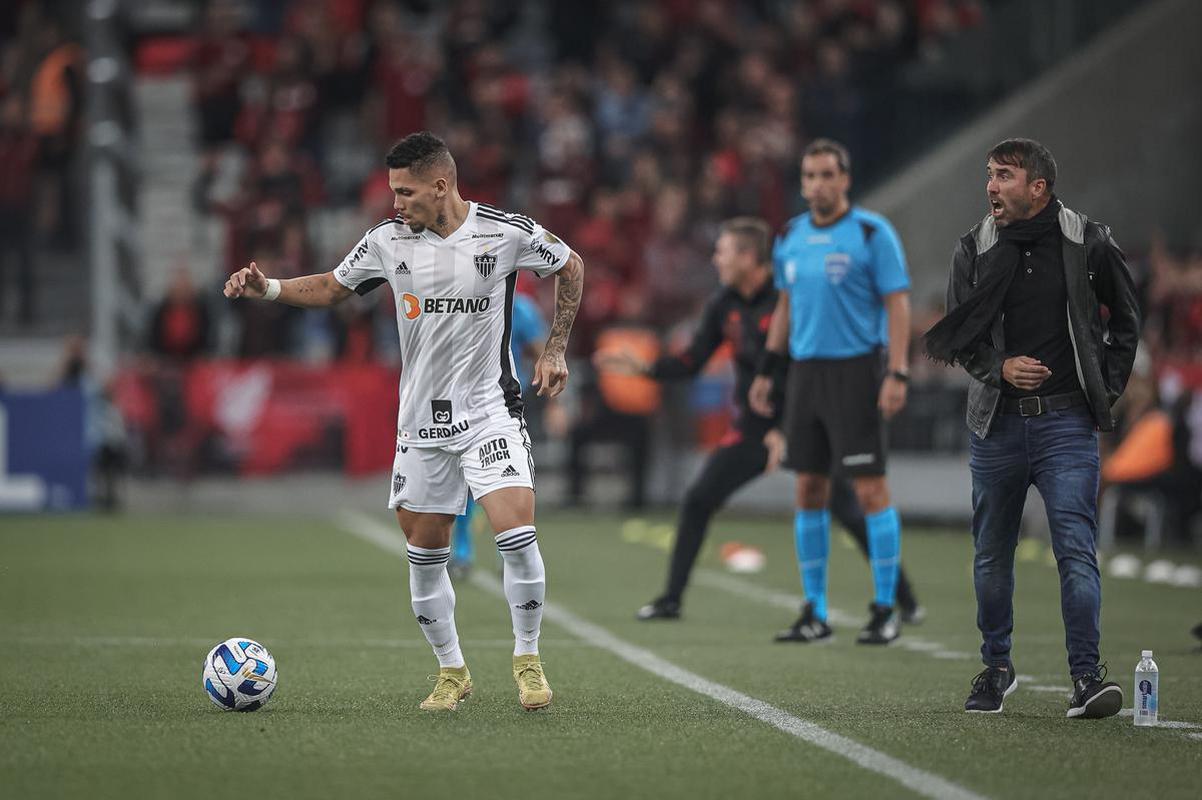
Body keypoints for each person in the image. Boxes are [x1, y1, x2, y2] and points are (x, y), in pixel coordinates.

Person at [223, 131, 585, 712]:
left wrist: (556, 348)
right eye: (394, 191)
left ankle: (528, 659)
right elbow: (331, 289)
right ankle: (452, 672)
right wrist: (266, 288)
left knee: (515, 534)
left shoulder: (504, 232)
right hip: (420, 425)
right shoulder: (387, 241)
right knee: (424, 553)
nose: (395, 202)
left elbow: (571, 266)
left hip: (490, 411)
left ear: (441, 185)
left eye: (406, 191)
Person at [597, 217, 923, 627]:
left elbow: (807, 366)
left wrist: (786, 430)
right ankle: (671, 600)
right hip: (754, 425)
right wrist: (646, 369)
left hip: (808, 417)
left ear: (749, 257)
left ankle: (904, 599)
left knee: (846, 508)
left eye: (724, 251)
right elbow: (692, 359)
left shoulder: (792, 299)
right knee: (699, 499)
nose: (716, 259)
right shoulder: (724, 303)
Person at [924, 138, 1139, 717]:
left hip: (1067, 424)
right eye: (988, 176)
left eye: (1003, 176)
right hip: (995, 424)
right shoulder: (972, 247)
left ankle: (1087, 679)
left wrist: (1104, 388)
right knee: (992, 555)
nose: (990, 186)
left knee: (1076, 549)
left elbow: (1126, 322)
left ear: (1038, 188)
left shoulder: (1088, 241)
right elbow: (962, 339)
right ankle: (996, 667)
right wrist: (999, 368)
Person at [750, 139, 912, 645]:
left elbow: (898, 305)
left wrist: (898, 373)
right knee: (808, 489)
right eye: (810, 176)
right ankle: (815, 612)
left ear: (845, 180)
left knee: (869, 488)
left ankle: (886, 607)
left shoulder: (871, 232)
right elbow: (785, 305)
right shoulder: (791, 236)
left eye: (826, 175)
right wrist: (767, 369)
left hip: (856, 372)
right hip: (805, 375)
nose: (817, 184)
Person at [450, 289, 547, 575]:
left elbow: (541, 352)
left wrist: (555, 403)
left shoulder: (519, 309)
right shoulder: (459, 299)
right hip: (462, 400)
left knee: (511, 475)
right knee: (464, 478)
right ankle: (463, 549)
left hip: (506, 404)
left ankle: (511, 547)